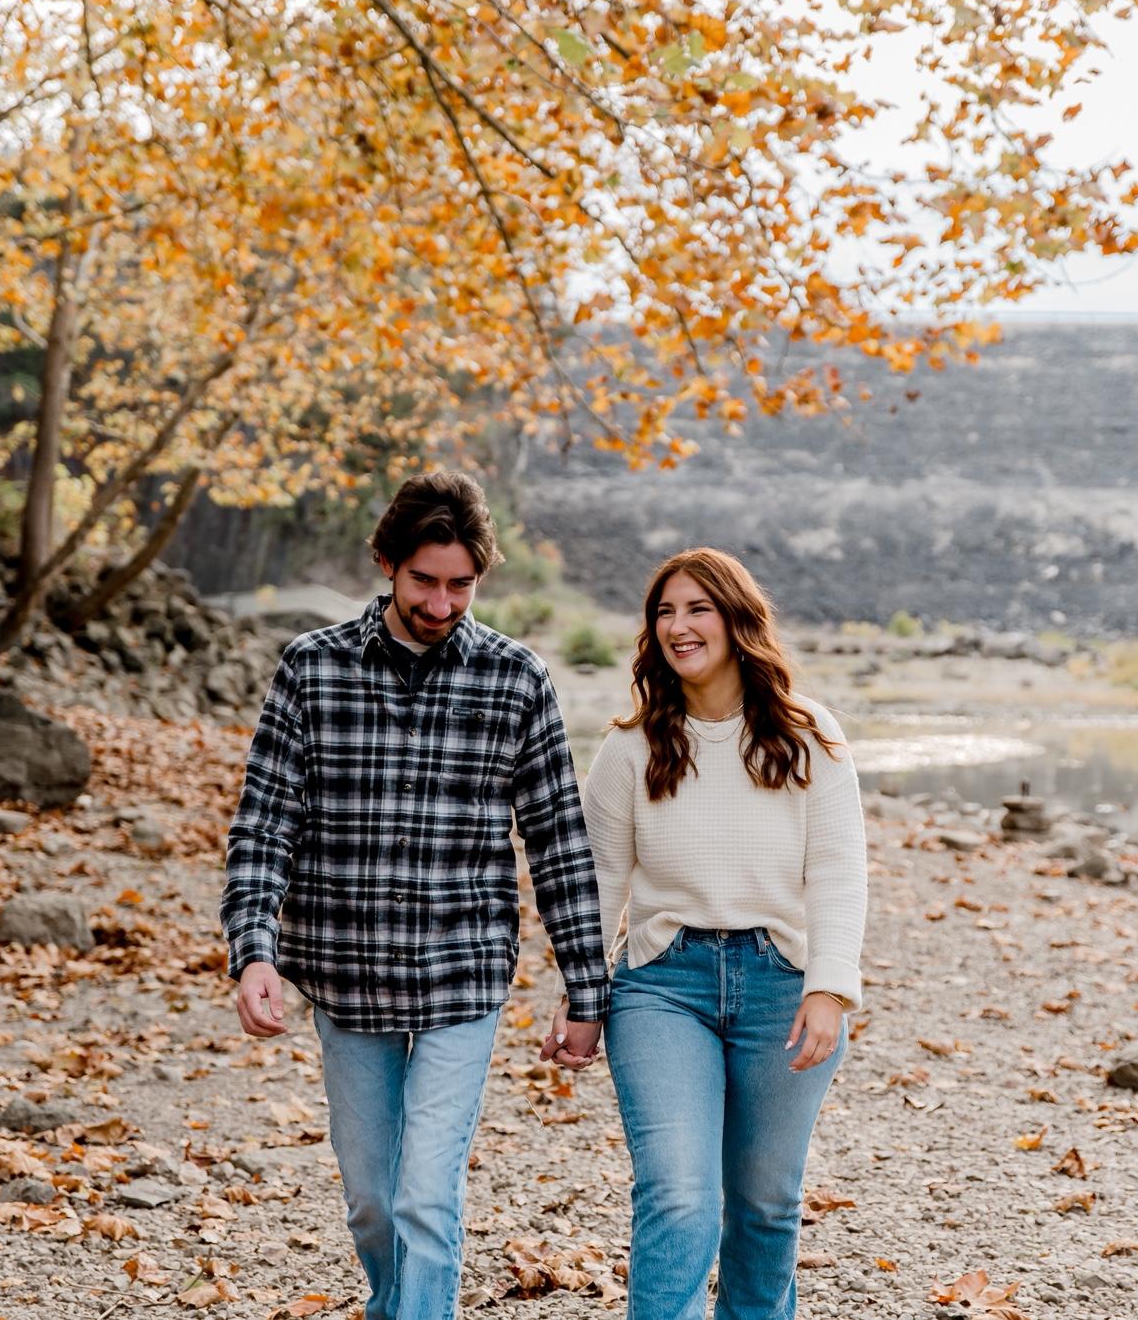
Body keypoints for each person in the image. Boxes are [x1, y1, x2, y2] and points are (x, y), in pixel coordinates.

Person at [220, 471, 607, 1320]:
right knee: (373, 1201)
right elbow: (264, 823)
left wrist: (586, 988)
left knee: (426, 1196)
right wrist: (254, 950)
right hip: (345, 974)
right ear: (387, 564)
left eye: (460, 585)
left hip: (461, 975)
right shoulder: (313, 667)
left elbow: (557, 842)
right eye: (424, 581)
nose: (441, 603)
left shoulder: (517, 678)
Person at [570, 546, 867, 1320]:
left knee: (766, 1204)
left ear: (738, 621)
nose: (679, 626)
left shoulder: (809, 736)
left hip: (782, 986)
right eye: (664, 612)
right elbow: (600, 883)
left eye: (697, 608)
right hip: (663, 987)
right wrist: (581, 997)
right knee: (678, 1195)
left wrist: (830, 989)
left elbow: (839, 872)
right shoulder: (629, 749)